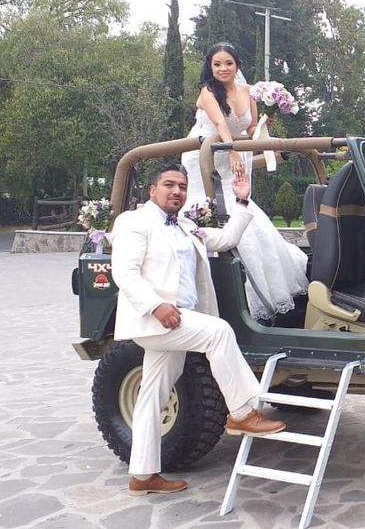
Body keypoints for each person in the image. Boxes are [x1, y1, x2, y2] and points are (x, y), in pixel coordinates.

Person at [110, 163, 286, 496]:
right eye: (168, 185)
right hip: (155, 319)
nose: (176, 191)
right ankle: (242, 411)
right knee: (219, 332)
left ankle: (143, 475)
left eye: (181, 186)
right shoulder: (134, 222)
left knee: (151, 397)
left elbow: (228, 237)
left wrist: (243, 201)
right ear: (153, 190)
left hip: (179, 318)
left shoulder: (188, 227)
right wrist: (156, 306)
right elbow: (125, 273)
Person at [181, 42, 308, 321]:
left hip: (230, 154)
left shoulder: (247, 91)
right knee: (213, 210)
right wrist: (234, 151)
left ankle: (261, 296)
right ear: (210, 67)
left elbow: (249, 128)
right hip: (208, 156)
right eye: (217, 64)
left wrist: (264, 123)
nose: (223, 69)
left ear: (237, 65)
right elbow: (221, 125)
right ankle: (219, 290)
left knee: (247, 215)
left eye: (228, 63)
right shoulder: (207, 93)